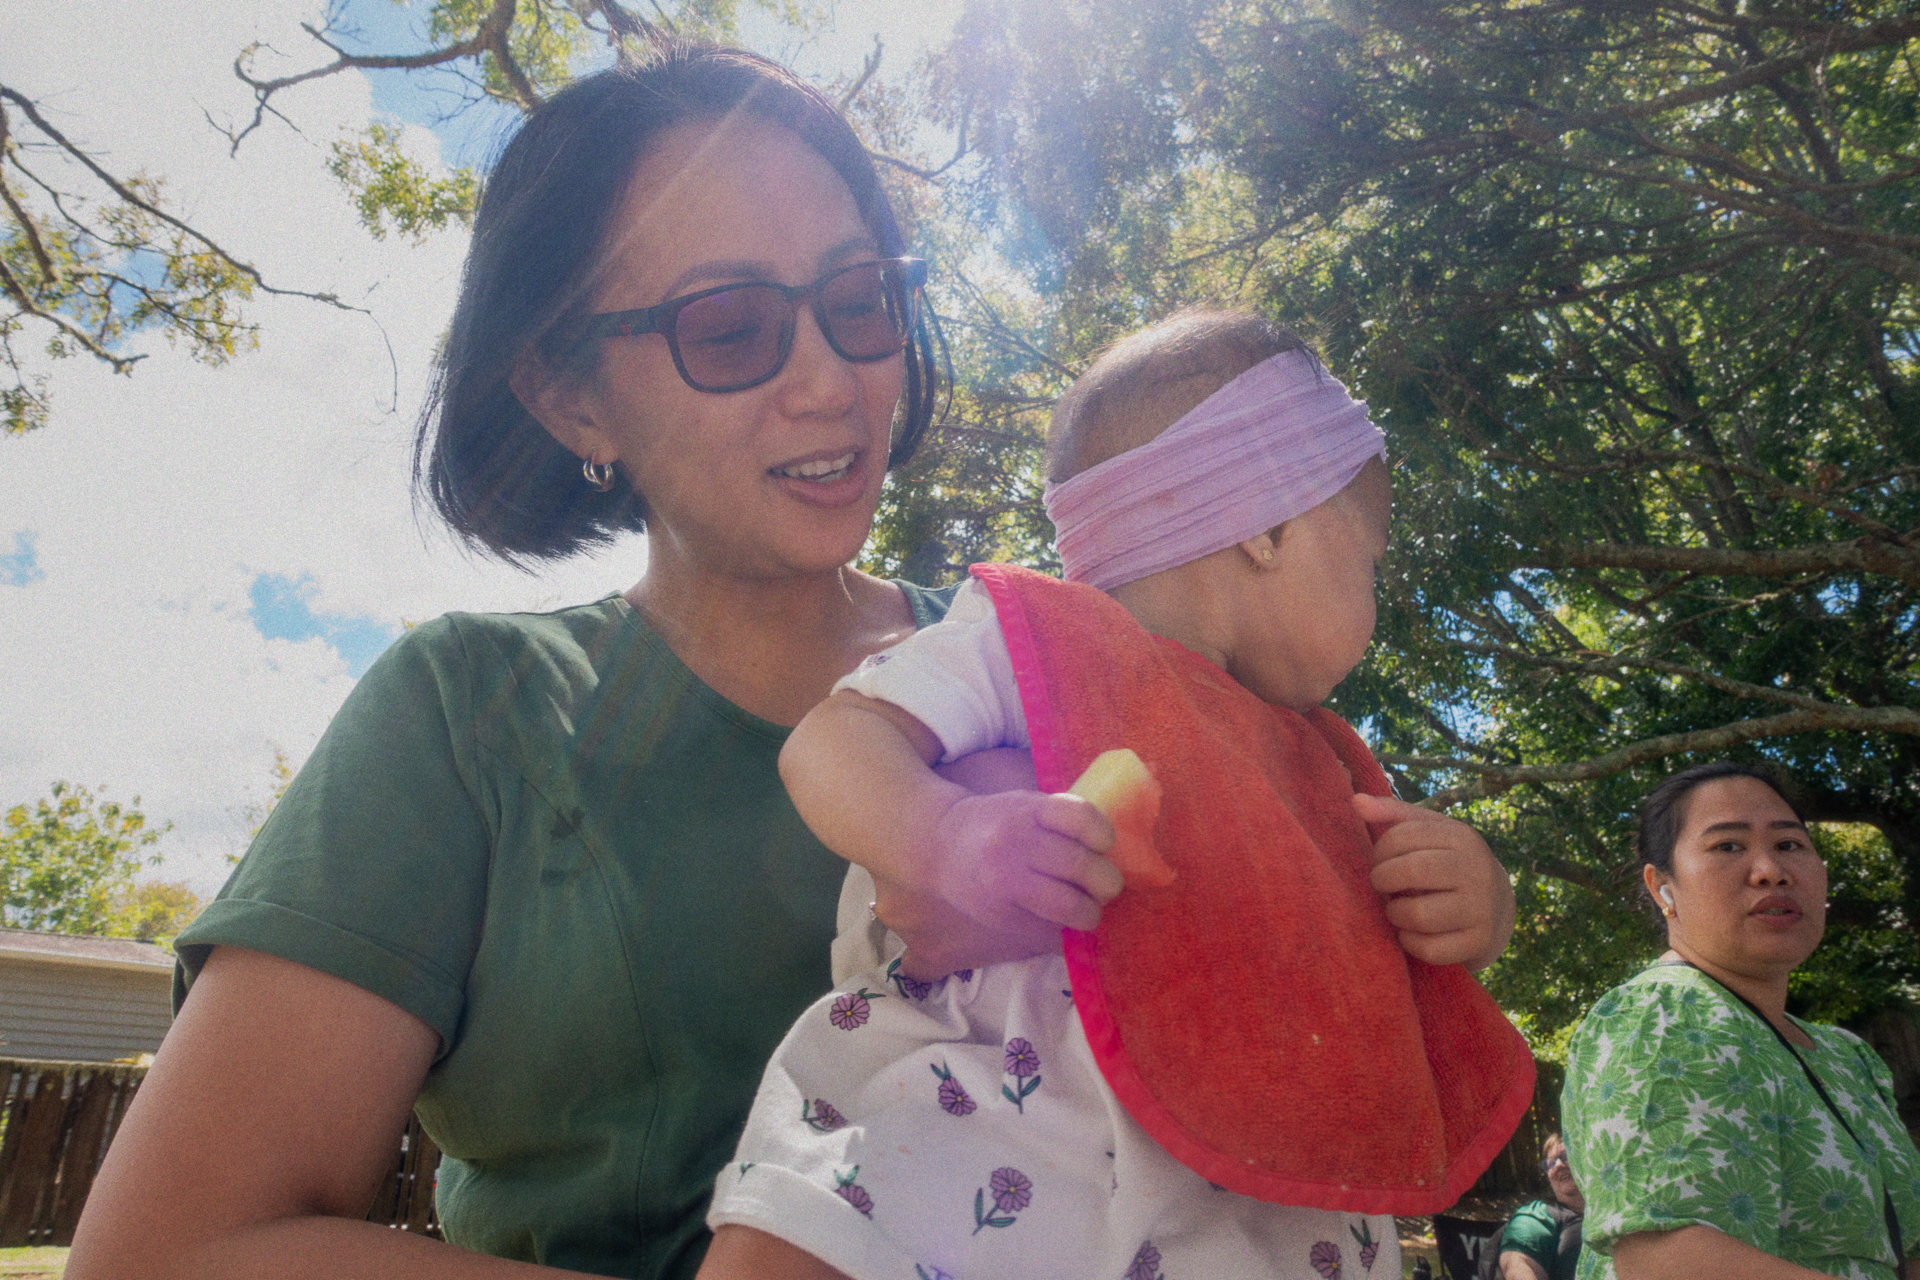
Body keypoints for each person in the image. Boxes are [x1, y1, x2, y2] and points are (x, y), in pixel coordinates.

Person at [65, 43, 1011, 1280]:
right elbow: (167, 1253)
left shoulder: (1029, 653)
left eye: (861, 297)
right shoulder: (462, 719)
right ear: (572, 397)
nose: (831, 377)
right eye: (729, 327)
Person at [698, 310, 1531, 1280]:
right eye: (1371, 555)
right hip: (973, 1125)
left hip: (1247, 1198)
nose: (1375, 592)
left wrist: (1480, 900)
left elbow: (1391, 940)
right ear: (1269, 527)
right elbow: (834, 741)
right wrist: (949, 834)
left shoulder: (1312, 762)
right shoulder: (1044, 641)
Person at [1562, 761, 1920, 1280]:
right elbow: (1668, 1261)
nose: (1770, 869)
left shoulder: (1847, 1057)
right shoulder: (1660, 1016)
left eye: (1790, 845)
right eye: (1728, 846)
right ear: (1662, 887)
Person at [1500, 1134, 1585, 1280]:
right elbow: (1517, 1264)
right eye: (1551, 1163)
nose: (1558, 1166)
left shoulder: (1615, 1209)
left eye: (1565, 1156)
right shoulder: (1537, 1216)